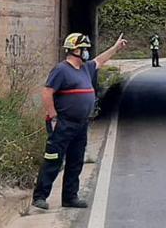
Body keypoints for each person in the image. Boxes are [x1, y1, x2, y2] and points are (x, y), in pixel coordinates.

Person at [32, 32, 127, 211]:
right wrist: (52, 115)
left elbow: (100, 60)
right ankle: (40, 197)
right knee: (53, 160)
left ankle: (70, 197)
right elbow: (47, 92)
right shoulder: (61, 70)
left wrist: (115, 48)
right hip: (63, 123)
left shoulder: (85, 68)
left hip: (81, 124)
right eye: (84, 49)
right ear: (74, 50)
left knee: (76, 161)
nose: (86, 52)